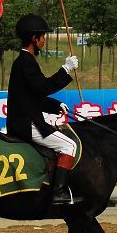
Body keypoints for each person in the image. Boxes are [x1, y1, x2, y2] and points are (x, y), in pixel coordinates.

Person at [6, 13, 80, 205]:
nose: (44, 41)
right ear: (34, 38)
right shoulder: (25, 61)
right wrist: (65, 69)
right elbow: (43, 87)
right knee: (69, 145)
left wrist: (55, 105)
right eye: (43, 37)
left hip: (25, 119)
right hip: (26, 124)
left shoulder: (25, 61)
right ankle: (59, 192)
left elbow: (32, 95)